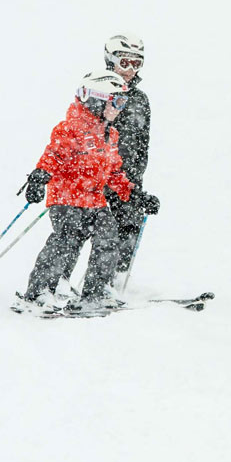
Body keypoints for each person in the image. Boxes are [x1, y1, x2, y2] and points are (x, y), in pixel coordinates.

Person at [14, 70, 137, 315]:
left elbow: (113, 172)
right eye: (116, 102)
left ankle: (96, 292)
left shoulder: (109, 134)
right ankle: (39, 292)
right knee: (66, 240)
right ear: (97, 100)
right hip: (67, 198)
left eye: (123, 102)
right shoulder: (70, 129)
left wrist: (133, 194)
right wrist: (40, 176)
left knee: (109, 236)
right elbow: (53, 155)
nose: (120, 108)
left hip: (95, 200)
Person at [101, 34, 159, 289]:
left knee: (128, 226)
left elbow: (142, 142)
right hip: (99, 175)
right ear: (111, 61)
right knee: (91, 230)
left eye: (137, 64)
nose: (131, 69)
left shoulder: (140, 100)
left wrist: (136, 177)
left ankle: (114, 282)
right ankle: (66, 282)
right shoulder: (98, 90)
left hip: (130, 178)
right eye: (125, 62)